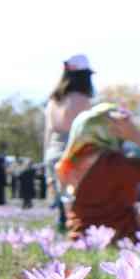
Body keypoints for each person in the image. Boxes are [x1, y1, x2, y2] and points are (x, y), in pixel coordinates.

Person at [57, 103, 140, 242]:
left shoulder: (68, 164)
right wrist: (136, 136)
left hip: (81, 236)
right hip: (119, 235)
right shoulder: (112, 163)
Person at [45, 54, 96, 231]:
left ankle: (60, 235)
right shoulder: (83, 101)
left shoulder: (53, 100)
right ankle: (72, 237)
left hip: (52, 151)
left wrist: (46, 159)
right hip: (73, 153)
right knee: (74, 203)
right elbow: (86, 133)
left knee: (60, 201)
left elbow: (48, 132)